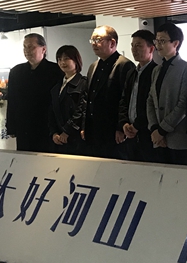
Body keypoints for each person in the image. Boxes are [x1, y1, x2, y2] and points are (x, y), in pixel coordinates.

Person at [82, 25, 136, 159]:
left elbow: (126, 99)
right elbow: (87, 98)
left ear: (112, 43)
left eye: (98, 40)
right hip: (93, 130)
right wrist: (84, 125)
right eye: (92, 40)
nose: (94, 44)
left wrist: (120, 127)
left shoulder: (124, 65)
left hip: (113, 131)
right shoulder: (93, 66)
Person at [147, 23, 187, 165]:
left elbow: (183, 104)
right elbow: (150, 100)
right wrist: (154, 128)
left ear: (175, 43)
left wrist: (162, 130)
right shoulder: (157, 69)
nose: (158, 45)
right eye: (157, 41)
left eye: (162, 41)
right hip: (158, 139)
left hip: (178, 139)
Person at [6, 33, 63, 152]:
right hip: (24, 126)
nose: (27, 50)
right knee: (25, 159)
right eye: (25, 47)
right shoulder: (16, 72)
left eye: (31, 47)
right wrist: (11, 126)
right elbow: (12, 100)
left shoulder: (56, 70)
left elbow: (60, 102)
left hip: (47, 127)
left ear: (43, 49)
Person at [119, 30, 157, 162]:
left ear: (151, 48)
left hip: (147, 133)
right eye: (132, 45)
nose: (134, 49)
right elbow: (124, 100)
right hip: (130, 133)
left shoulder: (155, 72)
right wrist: (124, 123)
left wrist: (136, 126)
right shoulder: (131, 73)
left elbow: (151, 105)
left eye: (139, 45)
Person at [49, 45, 87, 155]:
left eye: (66, 58)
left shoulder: (83, 83)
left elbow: (81, 110)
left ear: (76, 60)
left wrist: (67, 131)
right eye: (59, 59)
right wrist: (54, 133)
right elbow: (52, 112)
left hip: (76, 138)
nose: (62, 62)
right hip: (59, 138)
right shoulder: (57, 87)